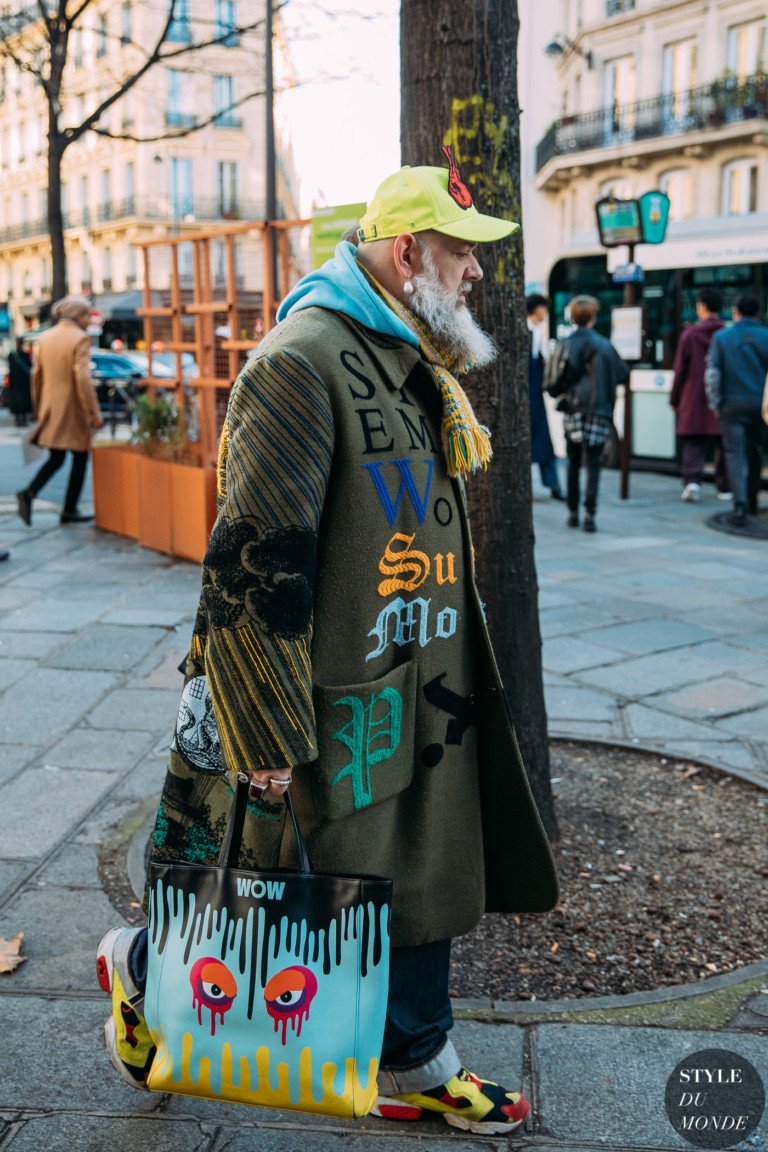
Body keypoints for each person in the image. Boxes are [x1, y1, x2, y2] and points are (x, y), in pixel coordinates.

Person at [96, 155, 558, 1137]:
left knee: (422, 873)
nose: (476, 272)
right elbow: (255, 561)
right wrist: (261, 729)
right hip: (326, 696)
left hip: (414, 681)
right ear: (407, 252)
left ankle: (416, 1062)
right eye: (461, 253)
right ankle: (142, 973)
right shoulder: (304, 360)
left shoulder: (406, 357)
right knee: (266, 888)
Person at [15, 295, 103, 527]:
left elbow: (37, 376)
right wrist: (94, 412)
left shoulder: (46, 337)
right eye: (86, 315)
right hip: (73, 409)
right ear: (77, 316)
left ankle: (30, 493)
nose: (88, 319)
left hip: (51, 407)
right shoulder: (80, 338)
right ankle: (69, 509)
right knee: (80, 456)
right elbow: (83, 379)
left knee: (57, 456)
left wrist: (39, 407)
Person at [552, 295, 628, 533]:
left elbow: (552, 382)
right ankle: (589, 513)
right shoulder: (605, 345)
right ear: (593, 317)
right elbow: (623, 374)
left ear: (573, 318)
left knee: (573, 461)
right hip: (599, 410)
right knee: (594, 462)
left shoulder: (564, 343)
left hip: (573, 410)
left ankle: (573, 511)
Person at [705, 294, 768, 527]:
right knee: (756, 452)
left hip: (731, 403)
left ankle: (739, 505)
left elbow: (712, 375)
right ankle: (752, 499)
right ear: (758, 313)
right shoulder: (766, 335)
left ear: (736, 312)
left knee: (734, 453)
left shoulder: (722, 337)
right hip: (762, 405)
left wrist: (715, 403)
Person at [670, 288, 730, 503]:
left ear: (701, 307)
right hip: (722, 396)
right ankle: (723, 485)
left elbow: (680, 370)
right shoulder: (726, 333)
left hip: (692, 395)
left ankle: (692, 481)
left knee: (693, 442)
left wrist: (674, 397)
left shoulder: (690, 334)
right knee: (722, 443)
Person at [526, 294, 564, 501]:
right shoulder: (527, 331)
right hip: (530, 397)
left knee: (543, 442)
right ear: (537, 308)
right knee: (540, 441)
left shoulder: (537, 332)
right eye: (544, 307)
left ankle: (554, 484)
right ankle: (553, 485)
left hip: (535, 398)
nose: (546, 312)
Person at [7, 336, 33, 427]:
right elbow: (29, 366)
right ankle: (21, 420)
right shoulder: (16, 355)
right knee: (21, 402)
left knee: (20, 402)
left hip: (17, 383)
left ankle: (21, 419)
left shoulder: (13, 355)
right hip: (20, 383)